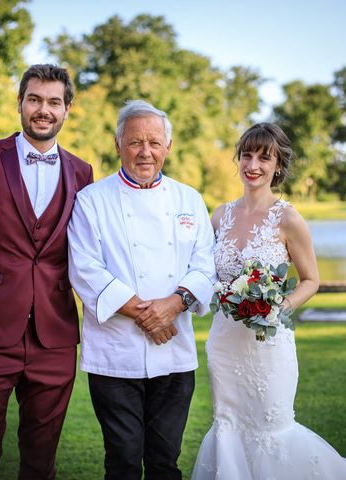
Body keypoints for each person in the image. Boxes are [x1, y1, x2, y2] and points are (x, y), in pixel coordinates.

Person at [191, 123, 346, 479]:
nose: (253, 165)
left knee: (271, 428)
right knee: (228, 424)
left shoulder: (289, 218)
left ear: (278, 166)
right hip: (225, 342)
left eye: (265, 158)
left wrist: (277, 309)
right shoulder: (219, 216)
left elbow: (311, 280)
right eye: (247, 155)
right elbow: (205, 275)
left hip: (269, 344)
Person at [0, 64, 93, 480]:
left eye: (54, 102)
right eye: (35, 99)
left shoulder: (82, 172)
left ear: (67, 109)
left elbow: (88, 254)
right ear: (21, 103)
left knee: (41, 462)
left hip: (54, 338)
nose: (44, 110)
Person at [67, 100, 216, 479]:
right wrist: (149, 315)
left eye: (154, 142)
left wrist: (174, 304)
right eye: (135, 142)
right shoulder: (91, 201)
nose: (145, 151)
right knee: (123, 461)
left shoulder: (189, 199)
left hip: (174, 354)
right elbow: (85, 270)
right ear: (118, 146)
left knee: (166, 462)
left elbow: (205, 265)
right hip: (115, 355)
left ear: (168, 146)